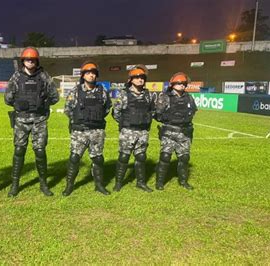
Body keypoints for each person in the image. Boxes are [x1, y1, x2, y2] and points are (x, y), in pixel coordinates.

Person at [4, 47, 59, 197]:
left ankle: (44, 185)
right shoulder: (16, 77)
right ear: (23, 61)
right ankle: (15, 185)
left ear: (37, 61)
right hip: (21, 120)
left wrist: (43, 103)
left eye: (33, 60)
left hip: (39, 120)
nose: (30, 62)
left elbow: (55, 97)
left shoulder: (44, 76)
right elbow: (7, 98)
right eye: (28, 59)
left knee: (40, 151)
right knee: (19, 151)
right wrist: (19, 103)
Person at [62, 61, 112, 196]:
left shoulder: (102, 91)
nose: (91, 76)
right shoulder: (76, 91)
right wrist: (79, 120)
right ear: (83, 75)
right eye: (88, 73)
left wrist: (94, 119)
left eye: (93, 73)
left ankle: (99, 185)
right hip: (80, 131)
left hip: (97, 131)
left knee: (98, 159)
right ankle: (69, 186)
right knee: (74, 158)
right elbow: (68, 109)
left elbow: (106, 108)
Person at [112, 65, 155, 193]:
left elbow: (152, 111)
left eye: (142, 77)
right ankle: (118, 183)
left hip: (143, 132)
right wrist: (127, 123)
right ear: (131, 80)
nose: (140, 79)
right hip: (128, 131)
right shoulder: (124, 94)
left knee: (141, 157)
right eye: (136, 77)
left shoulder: (148, 95)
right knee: (124, 157)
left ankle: (140, 183)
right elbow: (116, 113)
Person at [154, 72, 197, 190]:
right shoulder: (165, 97)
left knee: (184, 158)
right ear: (172, 84)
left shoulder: (189, 97)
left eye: (184, 83)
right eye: (179, 83)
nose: (182, 85)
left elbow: (193, 111)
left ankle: (183, 182)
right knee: (165, 157)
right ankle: (159, 183)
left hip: (184, 132)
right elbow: (157, 113)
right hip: (169, 132)